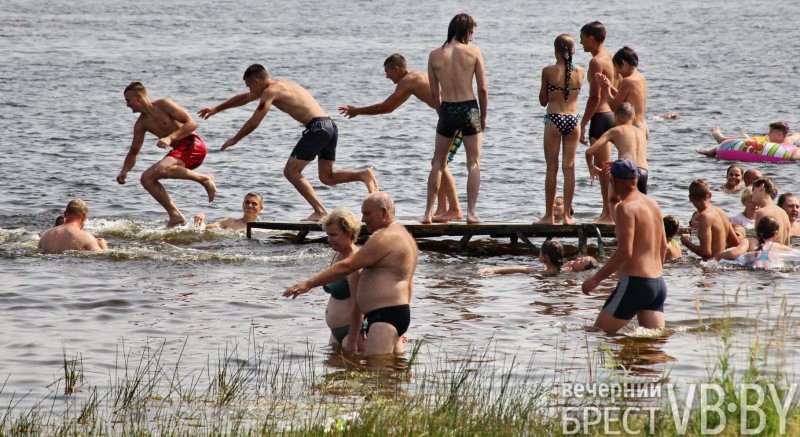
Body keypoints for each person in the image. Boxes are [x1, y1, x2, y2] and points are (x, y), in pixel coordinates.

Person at [198, 64, 380, 222]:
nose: (249, 90)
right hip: (330, 126)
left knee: (291, 171)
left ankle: (320, 211)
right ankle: (363, 175)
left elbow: (255, 121)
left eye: (249, 85)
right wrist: (216, 108)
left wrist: (235, 138)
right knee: (327, 177)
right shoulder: (281, 85)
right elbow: (244, 98)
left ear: (257, 82)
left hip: (317, 128)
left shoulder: (270, 92)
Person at [283, 192, 418, 356]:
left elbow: (348, 266)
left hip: (385, 316)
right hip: (392, 313)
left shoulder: (385, 237)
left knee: (377, 369)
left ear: (383, 212)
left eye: (367, 214)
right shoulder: (405, 236)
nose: (363, 219)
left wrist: (308, 283)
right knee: (394, 368)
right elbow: (408, 283)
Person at [338, 54, 462, 222]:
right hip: (457, 115)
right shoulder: (417, 76)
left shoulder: (408, 81)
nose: (387, 76)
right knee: (439, 163)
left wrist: (357, 111)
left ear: (396, 69)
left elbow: (387, 107)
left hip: (454, 118)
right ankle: (443, 210)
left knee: (439, 163)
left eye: (387, 72)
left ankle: (454, 209)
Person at [581, 159, 668, 334]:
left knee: (598, 335)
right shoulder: (652, 204)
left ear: (613, 180)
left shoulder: (625, 208)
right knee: (653, 343)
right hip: (658, 284)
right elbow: (664, 246)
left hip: (635, 284)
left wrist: (595, 279)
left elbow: (624, 252)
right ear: (636, 178)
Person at [117, 82, 217, 227]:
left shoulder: (164, 104)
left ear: (139, 95)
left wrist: (170, 138)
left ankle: (205, 178)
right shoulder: (141, 124)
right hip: (180, 154)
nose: (127, 105)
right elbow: (133, 151)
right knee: (147, 179)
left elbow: (192, 123)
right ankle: (175, 215)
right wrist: (124, 170)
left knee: (160, 169)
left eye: (128, 100)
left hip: (193, 144)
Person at [421, 13, 488, 224]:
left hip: (447, 109)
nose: (472, 37)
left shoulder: (434, 55)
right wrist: (483, 117)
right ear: (465, 32)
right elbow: (483, 88)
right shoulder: (474, 51)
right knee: (473, 163)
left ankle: (428, 213)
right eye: (471, 32)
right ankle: (471, 213)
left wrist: (442, 114)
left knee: (438, 162)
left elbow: (435, 94)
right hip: (469, 109)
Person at [536, 34, 584, 225]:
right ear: (573, 50)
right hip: (574, 119)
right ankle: (567, 217)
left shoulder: (548, 71)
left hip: (554, 118)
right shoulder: (580, 71)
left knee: (552, 168)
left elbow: (543, 101)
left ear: (555, 50)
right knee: (569, 168)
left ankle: (549, 216)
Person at [578, 21, 620, 224]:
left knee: (603, 169)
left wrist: (583, 124)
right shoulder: (613, 57)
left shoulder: (596, 61)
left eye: (583, 38)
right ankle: (610, 211)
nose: (581, 42)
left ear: (592, 38)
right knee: (609, 167)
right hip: (614, 115)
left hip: (601, 117)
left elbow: (594, 98)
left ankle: (608, 213)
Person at [320, 209, 365, 352]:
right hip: (336, 332)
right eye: (327, 234)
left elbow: (359, 306)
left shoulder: (355, 263)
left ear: (349, 233)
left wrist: (352, 339)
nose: (329, 239)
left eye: (333, 235)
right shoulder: (337, 255)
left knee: (355, 365)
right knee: (331, 365)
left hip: (353, 331)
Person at [585, 102, 649, 195]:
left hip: (627, 171)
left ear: (616, 118)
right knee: (640, 202)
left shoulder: (615, 131)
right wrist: (617, 163)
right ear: (633, 118)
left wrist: (591, 167)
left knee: (615, 200)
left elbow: (589, 152)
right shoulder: (641, 132)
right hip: (643, 171)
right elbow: (634, 156)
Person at [595, 47, 648, 139]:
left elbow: (614, 106)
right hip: (643, 126)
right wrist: (610, 86)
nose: (618, 72)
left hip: (633, 128)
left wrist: (605, 88)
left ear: (623, 64)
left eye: (616, 67)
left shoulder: (627, 81)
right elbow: (626, 97)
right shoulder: (640, 77)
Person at [680, 179, 741, 260]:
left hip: (712, 266)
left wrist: (686, 243)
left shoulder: (704, 217)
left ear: (690, 197)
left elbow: (706, 253)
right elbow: (735, 243)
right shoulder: (720, 211)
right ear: (709, 195)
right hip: (723, 262)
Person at [479, 241, 597, 276]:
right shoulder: (566, 269)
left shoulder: (542, 272)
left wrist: (493, 270)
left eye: (582, 261)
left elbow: (521, 269)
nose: (578, 259)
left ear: (546, 257)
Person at [38, 199, 108, 252]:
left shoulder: (45, 235)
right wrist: (103, 245)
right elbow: (101, 256)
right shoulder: (87, 237)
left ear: (65, 214)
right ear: (84, 218)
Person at [716, 216, 792, 264]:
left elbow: (733, 254)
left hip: (753, 275)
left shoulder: (749, 241)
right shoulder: (779, 247)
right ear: (775, 233)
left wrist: (717, 256)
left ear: (757, 229)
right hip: (772, 271)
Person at [193, 192, 264, 231]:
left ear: (261, 208)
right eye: (247, 202)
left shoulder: (264, 228)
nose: (250, 205)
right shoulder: (229, 222)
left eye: (254, 203)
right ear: (243, 204)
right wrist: (201, 216)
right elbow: (203, 228)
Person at [751, 177, 792, 245]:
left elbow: (761, 245)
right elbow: (787, 245)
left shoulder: (762, 212)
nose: (752, 194)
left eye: (753, 190)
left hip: (769, 251)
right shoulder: (783, 213)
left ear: (761, 187)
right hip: (781, 251)